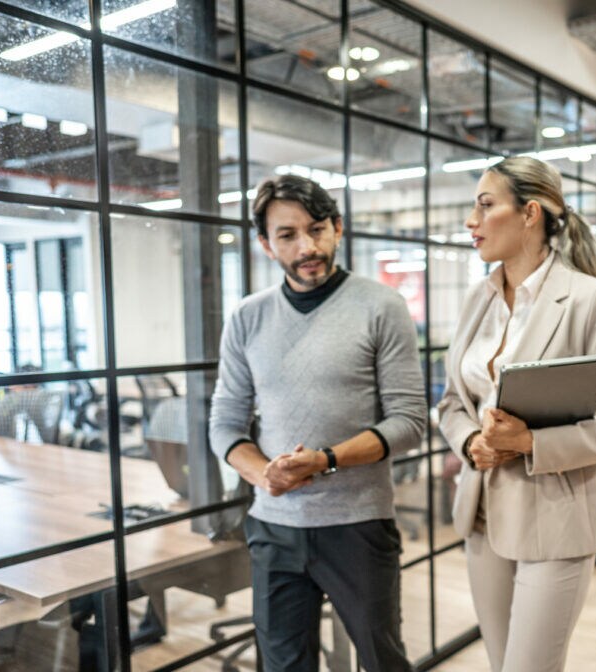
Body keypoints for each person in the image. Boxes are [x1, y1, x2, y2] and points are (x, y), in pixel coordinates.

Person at [209, 174, 425, 672]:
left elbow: (409, 421)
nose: (307, 246)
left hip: (359, 525)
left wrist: (324, 461)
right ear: (266, 245)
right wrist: (265, 473)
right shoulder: (247, 317)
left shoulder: (381, 307)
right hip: (274, 527)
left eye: (317, 229)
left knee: (382, 660)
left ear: (338, 229)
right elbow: (224, 422)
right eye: (287, 235)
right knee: (284, 666)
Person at [437, 156, 596, 672]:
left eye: (485, 205)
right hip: (482, 518)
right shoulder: (475, 300)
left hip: (555, 521)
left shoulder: (592, 300)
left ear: (529, 213)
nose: (470, 220)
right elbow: (451, 402)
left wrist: (527, 443)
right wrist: (469, 442)